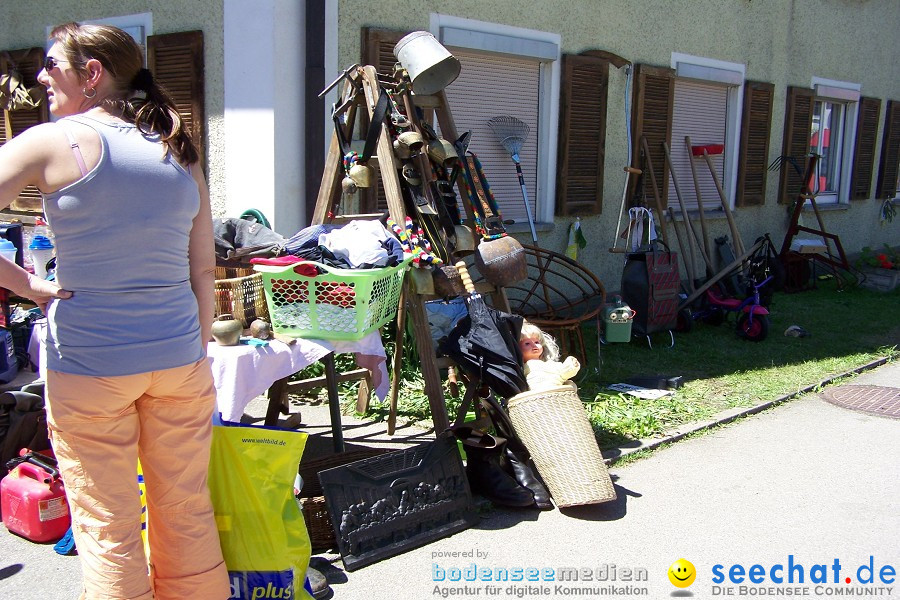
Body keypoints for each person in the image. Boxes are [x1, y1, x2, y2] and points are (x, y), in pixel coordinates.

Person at [0, 22, 229, 599]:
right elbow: (203, 268)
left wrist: (27, 285)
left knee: (109, 525)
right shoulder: (178, 150)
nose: (40, 75)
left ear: (92, 73)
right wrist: (193, 351)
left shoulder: (55, 141)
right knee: (185, 508)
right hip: (178, 357)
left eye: (52, 64)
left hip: (91, 362)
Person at [518, 320, 580, 391]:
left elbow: (562, 373)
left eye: (537, 342)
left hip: (554, 390)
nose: (534, 345)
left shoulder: (549, 364)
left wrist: (571, 366)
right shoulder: (522, 367)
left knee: (570, 384)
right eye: (527, 343)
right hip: (535, 394)